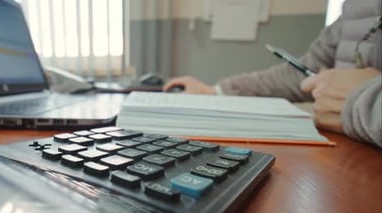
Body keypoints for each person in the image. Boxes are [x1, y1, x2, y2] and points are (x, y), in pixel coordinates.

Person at [163, 0, 382, 148]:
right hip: (343, 154)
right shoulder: (356, 7)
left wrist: (365, 102)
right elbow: (304, 72)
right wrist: (216, 91)